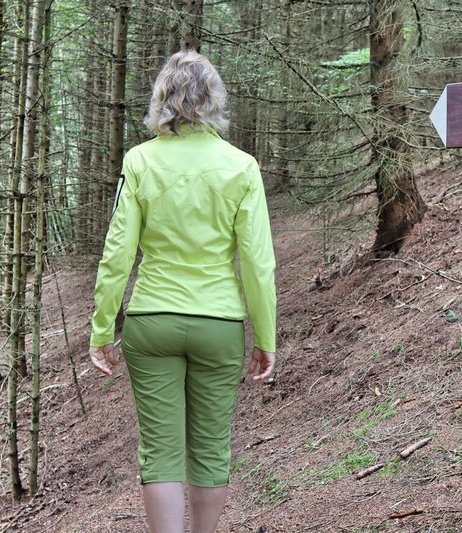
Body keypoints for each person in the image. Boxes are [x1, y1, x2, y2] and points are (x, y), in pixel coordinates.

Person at [88, 49, 277, 533]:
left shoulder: (140, 161)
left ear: (162, 101)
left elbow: (117, 255)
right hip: (218, 322)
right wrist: (266, 338)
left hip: (153, 320)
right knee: (211, 446)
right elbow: (257, 261)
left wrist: (102, 328)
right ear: (214, 100)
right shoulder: (241, 166)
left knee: (160, 451)